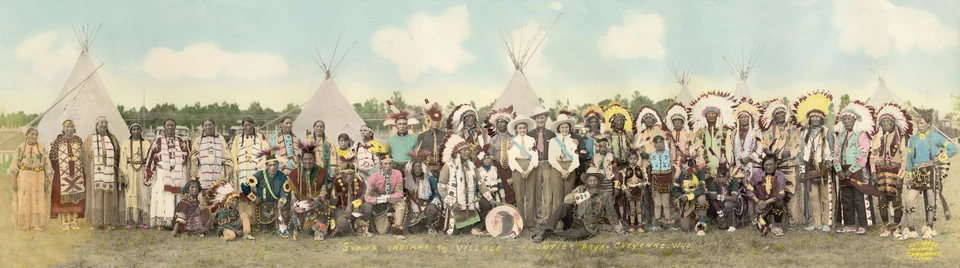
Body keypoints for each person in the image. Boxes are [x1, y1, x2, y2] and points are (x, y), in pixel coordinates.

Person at [903, 108, 957, 239]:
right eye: (918, 123)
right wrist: (909, 175)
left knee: (931, 201)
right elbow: (909, 158)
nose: (919, 126)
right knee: (909, 201)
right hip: (916, 173)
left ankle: (929, 227)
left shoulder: (935, 136)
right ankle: (911, 230)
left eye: (922, 123)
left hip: (930, 172)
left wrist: (940, 158)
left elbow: (953, 148)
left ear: (928, 124)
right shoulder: (912, 139)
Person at [532, 167, 624, 243]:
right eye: (590, 181)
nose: (592, 183)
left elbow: (611, 213)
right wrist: (585, 195)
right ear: (586, 182)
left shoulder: (604, 195)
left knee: (576, 236)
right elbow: (567, 200)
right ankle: (546, 229)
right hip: (573, 220)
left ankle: (547, 235)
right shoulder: (580, 189)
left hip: (587, 226)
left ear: (599, 182)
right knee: (564, 206)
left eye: (595, 180)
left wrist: (618, 228)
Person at [794, 91, 835, 232]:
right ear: (809, 119)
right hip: (809, 166)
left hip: (824, 167)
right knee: (812, 195)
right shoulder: (804, 133)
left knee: (825, 195)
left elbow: (833, 150)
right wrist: (801, 170)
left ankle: (826, 223)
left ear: (822, 118)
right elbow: (801, 153)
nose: (815, 119)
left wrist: (829, 162)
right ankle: (816, 222)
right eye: (813, 117)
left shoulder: (827, 131)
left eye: (818, 117)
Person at [832, 101, 875, 235]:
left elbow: (863, 154)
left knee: (859, 197)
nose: (846, 121)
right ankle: (849, 224)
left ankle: (862, 224)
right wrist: (838, 170)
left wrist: (850, 171)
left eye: (849, 119)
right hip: (843, 170)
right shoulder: (840, 136)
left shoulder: (861, 134)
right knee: (846, 198)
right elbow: (836, 153)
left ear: (854, 120)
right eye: (844, 119)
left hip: (857, 170)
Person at [870, 103, 911, 238]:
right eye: (883, 121)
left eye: (889, 121)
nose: (886, 124)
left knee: (896, 201)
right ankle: (886, 227)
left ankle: (897, 228)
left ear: (894, 123)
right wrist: (873, 173)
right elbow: (873, 156)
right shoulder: (877, 138)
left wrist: (900, 176)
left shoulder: (900, 137)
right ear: (880, 124)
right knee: (882, 201)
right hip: (880, 173)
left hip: (895, 172)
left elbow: (905, 158)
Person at [438, 134, 492, 235]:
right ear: (457, 153)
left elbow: (480, 183)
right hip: (455, 203)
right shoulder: (448, 166)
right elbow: (441, 187)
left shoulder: (472, 166)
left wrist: (491, 199)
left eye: (468, 150)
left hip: (471, 201)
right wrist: (451, 202)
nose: (467, 152)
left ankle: (476, 227)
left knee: (487, 204)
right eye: (464, 150)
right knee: (455, 232)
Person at [760, 99, 802, 226]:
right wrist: (772, 157)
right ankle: (775, 221)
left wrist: (790, 153)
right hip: (774, 167)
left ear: (786, 115)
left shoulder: (794, 130)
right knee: (773, 191)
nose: (780, 116)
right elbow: (765, 148)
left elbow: (800, 147)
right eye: (777, 114)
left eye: (782, 113)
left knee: (790, 192)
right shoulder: (768, 132)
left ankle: (793, 221)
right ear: (774, 116)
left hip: (790, 165)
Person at [144, 119, 190, 228]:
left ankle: (176, 221)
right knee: (162, 196)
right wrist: (149, 174)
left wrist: (177, 162)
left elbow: (187, 154)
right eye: (168, 125)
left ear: (175, 127)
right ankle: (163, 222)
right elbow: (150, 157)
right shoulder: (158, 140)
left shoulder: (180, 140)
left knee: (177, 196)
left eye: (172, 125)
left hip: (178, 173)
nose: (170, 127)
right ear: (164, 127)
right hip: (162, 173)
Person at [228, 117, 267, 236]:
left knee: (255, 195)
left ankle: (255, 223)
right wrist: (235, 167)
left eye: (250, 125)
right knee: (243, 196)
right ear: (242, 126)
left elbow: (266, 152)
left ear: (253, 126)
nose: (247, 127)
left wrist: (262, 167)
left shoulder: (260, 137)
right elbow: (234, 154)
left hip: (256, 170)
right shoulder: (237, 138)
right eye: (245, 125)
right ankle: (244, 223)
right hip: (242, 169)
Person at [9, 127, 52, 231]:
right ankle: (26, 223)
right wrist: (14, 181)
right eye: (32, 134)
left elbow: (47, 165)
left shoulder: (41, 148)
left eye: (36, 135)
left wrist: (47, 180)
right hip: (24, 175)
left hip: (39, 176)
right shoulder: (21, 148)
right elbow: (14, 165)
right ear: (27, 135)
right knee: (25, 198)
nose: (34, 136)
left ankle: (36, 223)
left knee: (38, 198)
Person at [241, 151, 292, 237]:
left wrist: (282, 201)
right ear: (266, 166)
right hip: (263, 206)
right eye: (270, 165)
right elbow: (244, 185)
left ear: (278, 165)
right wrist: (254, 198)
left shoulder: (282, 176)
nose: (272, 168)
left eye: (274, 165)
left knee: (277, 228)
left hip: (277, 205)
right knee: (264, 230)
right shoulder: (260, 174)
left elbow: (285, 191)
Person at [84, 116, 121, 229]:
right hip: (95, 169)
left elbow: (117, 152)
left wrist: (114, 163)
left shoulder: (112, 137)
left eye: (105, 123)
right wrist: (88, 169)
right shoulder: (90, 137)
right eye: (101, 123)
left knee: (109, 194)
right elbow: (84, 154)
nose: (104, 125)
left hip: (109, 169)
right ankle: (95, 222)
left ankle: (108, 222)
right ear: (96, 125)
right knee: (96, 194)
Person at [288, 143, 330, 241]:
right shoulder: (295, 173)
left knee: (323, 203)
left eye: (310, 159)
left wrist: (318, 198)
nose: (308, 161)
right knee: (305, 231)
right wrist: (294, 200)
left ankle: (319, 228)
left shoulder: (322, 172)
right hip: (303, 204)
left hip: (317, 202)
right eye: (305, 159)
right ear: (302, 160)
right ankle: (305, 226)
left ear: (314, 160)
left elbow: (323, 191)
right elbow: (293, 191)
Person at [745, 148, 790, 237]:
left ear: (775, 165)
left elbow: (780, 194)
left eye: (771, 164)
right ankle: (764, 222)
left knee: (780, 203)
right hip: (759, 204)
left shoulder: (780, 175)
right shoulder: (757, 174)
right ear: (763, 165)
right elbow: (749, 189)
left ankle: (777, 225)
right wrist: (757, 201)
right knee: (762, 228)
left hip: (772, 203)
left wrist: (765, 202)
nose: (769, 167)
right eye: (766, 165)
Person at [50, 119, 85, 230]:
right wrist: (59, 167)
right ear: (63, 129)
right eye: (67, 127)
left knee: (76, 196)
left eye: (71, 127)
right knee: (63, 196)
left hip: (77, 172)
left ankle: (74, 222)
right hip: (62, 173)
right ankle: (65, 222)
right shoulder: (58, 141)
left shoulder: (79, 140)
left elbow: (83, 155)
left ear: (74, 129)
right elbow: (52, 156)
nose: (69, 129)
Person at [546, 112, 580, 225]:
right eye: (562, 127)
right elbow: (551, 158)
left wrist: (569, 171)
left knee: (568, 197)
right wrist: (561, 170)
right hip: (557, 168)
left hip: (570, 168)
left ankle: (568, 224)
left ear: (569, 128)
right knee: (557, 196)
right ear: (558, 128)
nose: (564, 129)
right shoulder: (553, 141)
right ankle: (558, 224)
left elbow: (576, 158)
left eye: (566, 127)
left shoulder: (573, 141)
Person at [362, 154, 407, 239]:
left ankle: (398, 229)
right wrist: (384, 198)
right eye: (385, 164)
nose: (388, 166)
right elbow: (367, 197)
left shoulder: (397, 174)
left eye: (390, 163)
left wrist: (388, 198)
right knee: (382, 231)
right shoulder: (373, 177)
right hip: (380, 203)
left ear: (393, 164)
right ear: (381, 164)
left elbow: (399, 193)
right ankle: (389, 221)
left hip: (393, 199)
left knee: (401, 204)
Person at [507, 115, 539, 230]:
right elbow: (511, 159)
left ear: (527, 129)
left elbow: (535, 156)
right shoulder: (512, 142)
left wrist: (529, 170)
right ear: (516, 129)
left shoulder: (531, 140)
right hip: (517, 169)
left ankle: (530, 223)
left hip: (530, 167)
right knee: (519, 196)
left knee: (530, 196)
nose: (522, 130)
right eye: (520, 128)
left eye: (524, 128)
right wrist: (521, 171)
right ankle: (520, 221)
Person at [527, 106, 556, 229]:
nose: (540, 120)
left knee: (548, 193)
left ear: (546, 118)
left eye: (542, 118)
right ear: (535, 119)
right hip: (535, 166)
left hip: (547, 164)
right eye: (538, 118)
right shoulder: (529, 134)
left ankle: (547, 218)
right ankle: (538, 218)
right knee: (537, 192)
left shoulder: (551, 133)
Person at [402, 150, 443, 235]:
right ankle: (422, 223)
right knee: (414, 231)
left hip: (428, 204)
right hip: (414, 208)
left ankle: (431, 225)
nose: (418, 169)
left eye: (420, 167)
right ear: (412, 169)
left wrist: (433, 204)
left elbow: (437, 194)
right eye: (415, 167)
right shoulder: (407, 180)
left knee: (431, 211)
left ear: (423, 168)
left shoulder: (430, 178)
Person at [120, 123, 152, 229]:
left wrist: (149, 173)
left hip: (142, 170)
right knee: (130, 195)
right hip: (130, 171)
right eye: (133, 129)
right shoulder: (125, 143)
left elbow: (150, 158)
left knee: (142, 195)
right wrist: (124, 174)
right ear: (130, 131)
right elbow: (122, 160)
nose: (136, 131)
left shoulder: (146, 143)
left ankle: (143, 221)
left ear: (141, 131)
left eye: (138, 129)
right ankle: (130, 221)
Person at [328, 165, 373, 238]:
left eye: (351, 174)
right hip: (341, 209)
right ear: (342, 174)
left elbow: (364, 196)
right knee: (342, 223)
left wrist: (351, 205)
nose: (349, 177)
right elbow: (332, 202)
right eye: (347, 174)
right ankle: (343, 226)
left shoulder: (359, 180)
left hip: (356, 208)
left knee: (368, 205)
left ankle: (361, 225)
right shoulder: (335, 182)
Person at [484, 106, 517, 205]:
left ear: (507, 124)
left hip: (512, 167)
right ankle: (503, 207)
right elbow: (490, 156)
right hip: (498, 167)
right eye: (498, 123)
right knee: (502, 187)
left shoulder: (513, 138)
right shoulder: (493, 139)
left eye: (503, 122)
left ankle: (513, 206)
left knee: (512, 187)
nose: (500, 124)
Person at [191, 119, 233, 190]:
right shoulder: (198, 140)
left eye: (210, 125)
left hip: (219, 172)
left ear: (214, 126)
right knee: (203, 195)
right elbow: (193, 157)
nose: (208, 127)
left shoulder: (220, 139)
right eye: (205, 125)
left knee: (218, 194)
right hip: (203, 173)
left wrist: (218, 160)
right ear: (203, 127)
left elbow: (227, 156)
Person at [672, 159, 709, 236]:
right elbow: (675, 190)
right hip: (685, 199)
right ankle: (691, 218)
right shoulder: (680, 173)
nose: (686, 170)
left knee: (702, 199)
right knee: (686, 228)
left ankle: (701, 225)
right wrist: (681, 196)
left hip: (696, 195)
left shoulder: (700, 172)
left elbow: (702, 189)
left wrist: (690, 196)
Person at [731, 99, 762, 181]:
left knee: (752, 186)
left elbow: (760, 147)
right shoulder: (734, 133)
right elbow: (731, 149)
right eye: (741, 117)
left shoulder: (756, 131)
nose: (743, 119)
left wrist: (750, 157)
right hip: (738, 164)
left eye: (745, 117)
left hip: (752, 164)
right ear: (738, 120)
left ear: (749, 118)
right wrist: (732, 163)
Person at [648, 136, 674, 230]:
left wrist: (672, 181)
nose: (659, 144)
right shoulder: (651, 154)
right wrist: (649, 181)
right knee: (657, 204)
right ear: (654, 144)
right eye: (657, 142)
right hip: (655, 180)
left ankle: (668, 223)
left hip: (666, 179)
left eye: (661, 142)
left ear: (664, 143)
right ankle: (657, 223)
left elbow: (672, 168)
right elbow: (648, 168)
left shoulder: (669, 153)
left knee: (666, 203)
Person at [415, 99, 447, 175]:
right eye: (434, 120)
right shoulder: (422, 136)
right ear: (429, 120)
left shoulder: (445, 135)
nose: (436, 123)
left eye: (438, 121)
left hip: (442, 167)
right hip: (426, 168)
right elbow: (419, 153)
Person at [617, 152, 647, 232]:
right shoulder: (625, 170)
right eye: (631, 159)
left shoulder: (641, 169)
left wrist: (642, 185)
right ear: (628, 160)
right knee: (631, 208)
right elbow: (622, 183)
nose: (633, 161)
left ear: (637, 159)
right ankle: (632, 225)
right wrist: (625, 190)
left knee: (639, 208)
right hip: (629, 191)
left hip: (639, 191)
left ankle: (640, 225)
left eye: (634, 159)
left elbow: (646, 181)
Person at [632, 106, 666, 170]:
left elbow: (665, 148)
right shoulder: (638, 135)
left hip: (657, 160)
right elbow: (635, 148)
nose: (648, 120)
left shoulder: (660, 132)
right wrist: (641, 152)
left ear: (654, 120)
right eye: (646, 118)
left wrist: (651, 156)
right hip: (643, 161)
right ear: (643, 121)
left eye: (650, 118)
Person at [577, 106, 604, 184]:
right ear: (588, 123)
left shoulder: (603, 136)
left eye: (595, 122)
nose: (594, 124)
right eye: (591, 122)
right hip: (587, 164)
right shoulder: (584, 137)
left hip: (600, 164)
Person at [602, 103, 634, 167]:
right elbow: (604, 151)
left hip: (627, 165)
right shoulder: (608, 136)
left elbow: (632, 150)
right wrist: (614, 159)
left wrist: (628, 158)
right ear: (613, 123)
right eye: (617, 120)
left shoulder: (628, 135)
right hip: (612, 165)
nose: (620, 122)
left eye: (622, 120)